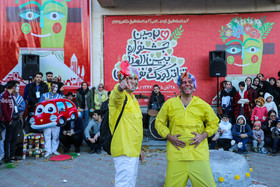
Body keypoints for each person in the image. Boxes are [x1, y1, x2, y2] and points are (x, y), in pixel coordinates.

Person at [155, 68, 219, 187]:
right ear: (179, 86)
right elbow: (159, 122)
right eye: (184, 82)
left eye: (190, 82)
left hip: (198, 155)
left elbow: (214, 123)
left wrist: (203, 135)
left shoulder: (202, 105)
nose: (187, 84)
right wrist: (169, 137)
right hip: (176, 155)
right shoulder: (170, 104)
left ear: (194, 86)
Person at [109, 60, 144, 187]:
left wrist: (138, 149)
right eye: (129, 78)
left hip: (133, 151)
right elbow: (116, 96)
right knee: (124, 184)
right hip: (124, 151)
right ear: (122, 79)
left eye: (135, 78)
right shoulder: (120, 96)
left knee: (130, 183)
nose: (132, 81)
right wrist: (120, 88)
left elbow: (135, 128)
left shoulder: (133, 99)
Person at [40, 81, 62, 157]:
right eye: (53, 86)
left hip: (56, 119)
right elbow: (39, 105)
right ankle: (48, 151)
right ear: (50, 87)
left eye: (56, 87)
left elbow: (61, 108)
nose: (54, 88)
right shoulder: (44, 95)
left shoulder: (60, 97)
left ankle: (54, 150)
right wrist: (43, 101)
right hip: (46, 119)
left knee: (56, 135)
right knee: (47, 135)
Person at [1, 81, 21, 163]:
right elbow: (4, 110)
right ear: (13, 87)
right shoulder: (5, 95)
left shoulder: (12, 96)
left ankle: (12, 155)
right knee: (8, 139)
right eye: (16, 87)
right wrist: (9, 120)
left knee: (14, 138)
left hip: (16, 119)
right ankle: (7, 157)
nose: (16, 88)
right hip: (10, 120)